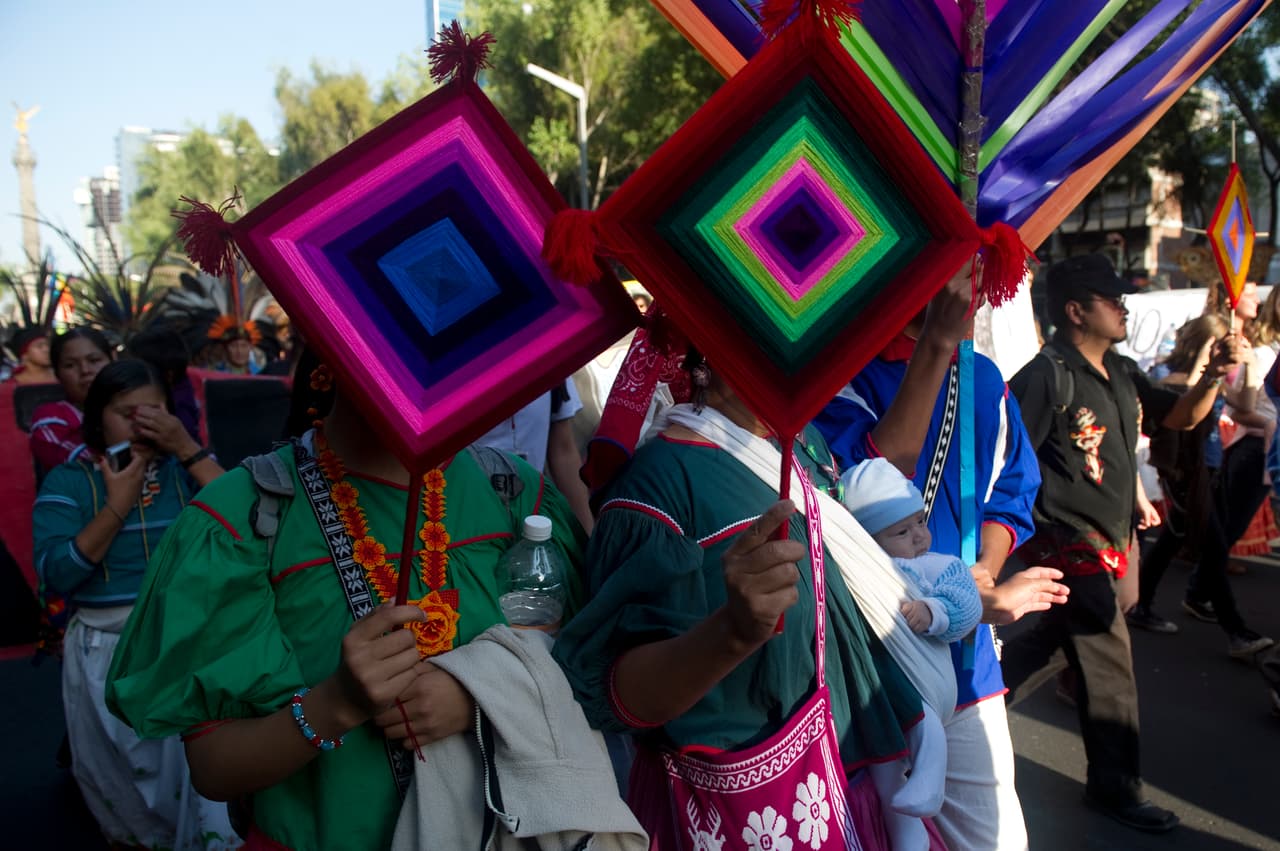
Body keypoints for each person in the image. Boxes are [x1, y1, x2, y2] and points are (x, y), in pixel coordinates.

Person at [106, 355, 589, 851]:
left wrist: (478, 700)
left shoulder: (515, 496)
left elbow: (587, 672)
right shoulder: (240, 520)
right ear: (329, 350)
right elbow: (214, 768)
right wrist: (334, 704)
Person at [555, 354, 952, 851]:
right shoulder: (656, 489)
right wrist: (731, 633)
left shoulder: (805, 447)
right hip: (749, 813)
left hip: (860, 787)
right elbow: (614, 694)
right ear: (702, 356)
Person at [814, 267, 1067, 851]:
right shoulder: (836, 377)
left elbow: (1012, 489)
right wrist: (935, 341)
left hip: (968, 660)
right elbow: (876, 476)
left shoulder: (982, 376)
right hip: (870, 657)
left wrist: (984, 571)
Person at [1005, 253, 1242, 833]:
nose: (1124, 306)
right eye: (1112, 299)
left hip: (1116, 536)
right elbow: (1008, 458)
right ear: (1075, 311)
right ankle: (1115, 789)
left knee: (1081, 628)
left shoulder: (1124, 369)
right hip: (1069, 543)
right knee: (1110, 664)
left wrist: (1212, 376)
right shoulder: (1043, 376)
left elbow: (1180, 419)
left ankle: (979, 693)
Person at [33, 358, 234, 850]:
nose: (145, 423)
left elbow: (247, 518)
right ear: (98, 416)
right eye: (128, 412)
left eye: (157, 411)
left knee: (201, 780)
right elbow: (57, 572)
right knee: (124, 790)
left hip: (183, 647)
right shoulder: (70, 481)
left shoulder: (184, 472)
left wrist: (187, 448)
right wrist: (117, 503)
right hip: (106, 651)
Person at [841, 457, 983, 850]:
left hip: (923, 685)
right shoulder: (863, 570)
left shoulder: (940, 566)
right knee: (883, 763)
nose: (919, 536)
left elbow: (967, 607)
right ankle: (908, 831)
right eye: (902, 531)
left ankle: (929, 782)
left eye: (921, 521)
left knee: (924, 724)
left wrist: (934, 612)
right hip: (876, 687)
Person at [1129, 315, 1228, 633]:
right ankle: (1235, 628)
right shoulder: (1167, 373)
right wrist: (1207, 366)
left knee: (1174, 539)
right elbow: (1178, 412)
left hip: (1208, 462)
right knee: (1214, 545)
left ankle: (1144, 603)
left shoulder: (1215, 375)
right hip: (1183, 470)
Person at [472, 379, 595, 532]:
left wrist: (588, 535)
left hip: (532, 519)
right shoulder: (449, 362)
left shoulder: (547, 361)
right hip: (467, 517)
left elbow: (563, 450)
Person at [29, 327, 114, 473]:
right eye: (70, 365)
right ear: (57, 374)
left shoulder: (137, 406)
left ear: (112, 360)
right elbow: (90, 466)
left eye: (94, 360)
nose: (85, 370)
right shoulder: (50, 420)